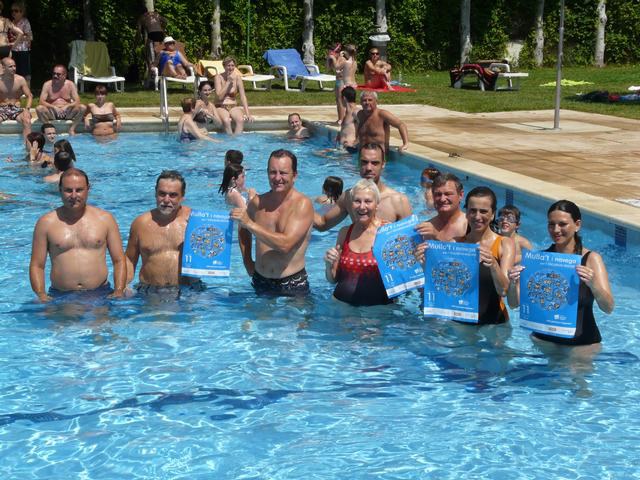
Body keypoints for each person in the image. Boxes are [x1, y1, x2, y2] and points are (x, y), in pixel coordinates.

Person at [507, 200, 614, 349]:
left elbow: (608, 308)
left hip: (581, 345)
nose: (556, 230)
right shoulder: (538, 260)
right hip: (543, 341)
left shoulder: (591, 259)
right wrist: (513, 283)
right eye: (551, 224)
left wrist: (593, 284)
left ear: (577, 225)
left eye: (562, 224)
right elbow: (513, 304)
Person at [29, 168, 126, 301]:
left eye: (79, 190)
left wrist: (119, 290)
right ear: (60, 190)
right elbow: (37, 265)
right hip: (60, 295)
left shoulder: (105, 219)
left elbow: (119, 260)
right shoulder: (46, 223)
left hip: (100, 293)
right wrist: (41, 295)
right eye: (68, 190)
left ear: (88, 189)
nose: (74, 196)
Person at [231, 149, 313, 296]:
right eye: (272, 172)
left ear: (294, 175)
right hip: (260, 280)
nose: (277, 178)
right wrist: (247, 261)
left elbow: (286, 245)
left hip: (292, 283)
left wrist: (250, 224)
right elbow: (243, 228)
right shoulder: (258, 203)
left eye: (283, 173)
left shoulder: (302, 204)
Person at [125, 170, 203, 295]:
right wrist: (124, 286)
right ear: (155, 193)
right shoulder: (140, 223)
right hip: (149, 291)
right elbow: (129, 259)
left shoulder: (195, 221)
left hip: (188, 290)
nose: (166, 200)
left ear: (182, 196)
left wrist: (235, 220)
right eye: (162, 194)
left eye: (173, 195)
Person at [324, 179, 392, 306]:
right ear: (351, 204)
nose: (362, 206)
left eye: (368, 201)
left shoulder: (388, 232)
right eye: (357, 201)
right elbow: (333, 279)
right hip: (341, 307)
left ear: (377, 204)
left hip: (378, 312)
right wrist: (328, 265)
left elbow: (403, 278)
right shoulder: (344, 233)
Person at [314, 143, 412, 231]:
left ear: (383, 164)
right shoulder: (348, 196)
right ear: (358, 163)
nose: (369, 168)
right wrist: (304, 203)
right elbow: (323, 224)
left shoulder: (398, 201)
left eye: (375, 163)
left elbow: (410, 239)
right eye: (364, 162)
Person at [415, 173, 467, 242]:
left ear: (460, 195)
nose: (442, 199)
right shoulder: (425, 228)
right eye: (438, 194)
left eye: (448, 194)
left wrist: (437, 236)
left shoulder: (469, 225)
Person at [35, 65, 86, 135]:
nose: (55, 76)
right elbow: (41, 102)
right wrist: (54, 107)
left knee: (83, 107)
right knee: (39, 108)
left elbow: (77, 101)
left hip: (67, 113)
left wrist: (67, 106)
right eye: (54, 73)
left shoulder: (70, 85)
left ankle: (72, 129)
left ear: (64, 75)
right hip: (52, 113)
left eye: (58, 74)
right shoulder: (47, 85)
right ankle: (49, 128)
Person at [214, 56, 253, 135]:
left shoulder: (238, 78)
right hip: (221, 106)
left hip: (233, 106)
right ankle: (230, 139)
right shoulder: (218, 77)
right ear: (224, 66)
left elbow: (243, 96)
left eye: (232, 65)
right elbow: (219, 97)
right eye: (228, 65)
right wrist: (228, 82)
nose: (230, 68)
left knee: (240, 120)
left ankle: (236, 140)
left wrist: (248, 114)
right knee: (226, 121)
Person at [0, 56, 31, 138]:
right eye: (10, 67)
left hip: (16, 108)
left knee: (27, 120)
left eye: (14, 66)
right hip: (2, 109)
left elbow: (29, 96)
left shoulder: (20, 79)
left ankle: (27, 145)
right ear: (3, 68)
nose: (14, 68)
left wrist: (27, 109)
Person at [327, 43, 357, 123]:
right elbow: (347, 72)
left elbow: (336, 67)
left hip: (344, 83)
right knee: (345, 102)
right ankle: (345, 118)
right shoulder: (353, 61)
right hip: (348, 82)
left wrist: (333, 59)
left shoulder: (345, 61)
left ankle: (342, 119)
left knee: (342, 102)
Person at [137, 6, 167, 87]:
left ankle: (152, 80)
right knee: (159, 56)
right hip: (161, 35)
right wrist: (163, 29)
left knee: (151, 58)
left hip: (152, 35)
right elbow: (165, 21)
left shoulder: (141, 18)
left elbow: (139, 32)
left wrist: (136, 42)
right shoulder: (156, 14)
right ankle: (160, 78)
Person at [9, 2, 31, 85]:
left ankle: (27, 89)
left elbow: (30, 37)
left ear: (22, 12)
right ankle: (16, 89)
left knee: (25, 72)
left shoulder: (25, 22)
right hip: (13, 50)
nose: (13, 13)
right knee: (14, 71)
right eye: (12, 11)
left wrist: (17, 38)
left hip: (23, 50)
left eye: (16, 11)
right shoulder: (11, 22)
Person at [338, 86, 360, 152]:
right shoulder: (347, 113)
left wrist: (354, 144)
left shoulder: (356, 112)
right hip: (342, 148)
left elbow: (365, 130)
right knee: (318, 153)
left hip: (350, 149)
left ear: (344, 98)